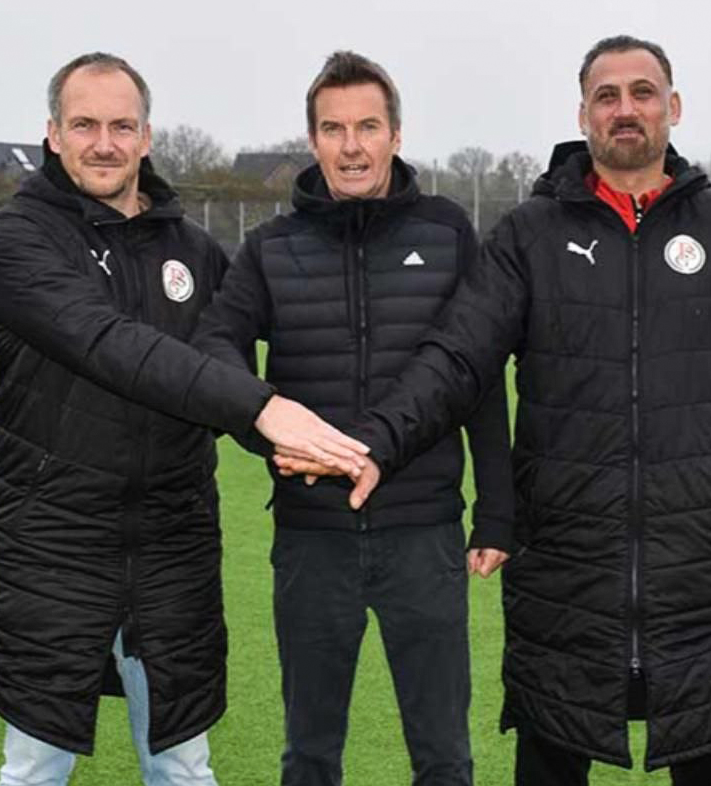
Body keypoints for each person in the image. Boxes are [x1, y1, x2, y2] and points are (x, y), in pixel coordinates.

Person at [285, 35, 711, 786]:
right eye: (606, 96)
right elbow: (457, 357)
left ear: (673, 106)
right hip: (564, 567)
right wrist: (375, 442)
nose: (624, 109)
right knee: (551, 759)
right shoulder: (529, 234)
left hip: (697, 565)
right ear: (582, 114)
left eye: (642, 92)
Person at [0, 51, 368, 786]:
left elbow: (221, 374)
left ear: (147, 136)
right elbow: (110, 344)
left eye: (122, 126)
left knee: (183, 764)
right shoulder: (17, 241)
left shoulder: (193, 251)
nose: (104, 143)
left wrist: (303, 442)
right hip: (53, 543)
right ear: (52, 133)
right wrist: (265, 409)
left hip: (173, 544)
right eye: (84, 125)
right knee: (34, 767)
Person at [191, 51, 515, 786]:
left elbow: (478, 374)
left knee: (443, 754)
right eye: (333, 129)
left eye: (367, 127)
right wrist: (266, 428)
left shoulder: (446, 233)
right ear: (312, 140)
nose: (351, 147)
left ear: (396, 134)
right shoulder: (271, 249)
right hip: (312, 538)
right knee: (309, 753)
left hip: (423, 532)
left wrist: (497, 509)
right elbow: (214, 347)